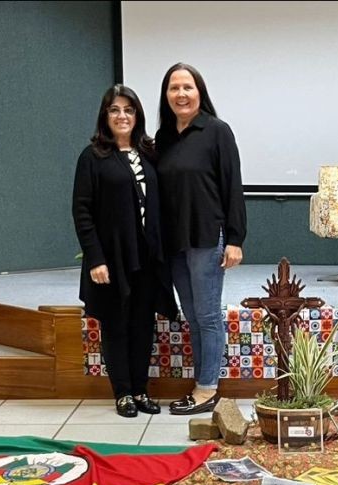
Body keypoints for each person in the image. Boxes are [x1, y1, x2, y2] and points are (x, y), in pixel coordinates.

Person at [73, 85, 178, 417]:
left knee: (142, 325)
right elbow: (82, 210)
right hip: (112, 259)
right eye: (115, 110)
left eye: (128, 110)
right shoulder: (92, 157)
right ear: (105, 116)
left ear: (137, 115)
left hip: (146, 259)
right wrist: (95, 258)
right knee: (116, 324)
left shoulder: (148, 152)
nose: (122, 116)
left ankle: (140, 390)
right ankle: (122, 393)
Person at [155, 63, 247, 416]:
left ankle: (207, 388)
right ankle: (201, 383)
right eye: (174, 88)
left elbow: (232, 186)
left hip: (208, 237)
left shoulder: (217, 131)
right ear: (166, 96)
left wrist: (235, 239)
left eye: (187, 87)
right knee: (192, 315)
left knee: (207, 315)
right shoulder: (163, 138)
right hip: (175, 242)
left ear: (199, 92)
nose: (181, 94)